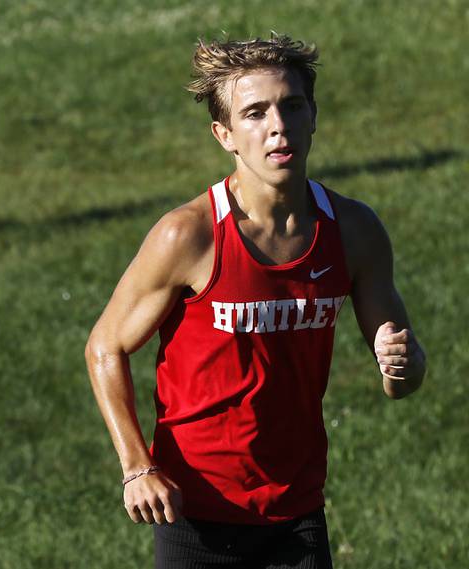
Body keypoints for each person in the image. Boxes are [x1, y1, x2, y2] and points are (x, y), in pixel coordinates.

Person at [84, 34, 426, 569]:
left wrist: (401, 366)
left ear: (313, 115)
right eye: (255, 112)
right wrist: (136, 466)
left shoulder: (354, 231)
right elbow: (105, 347)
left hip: (297, 511)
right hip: (196, 515)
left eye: (292, 106)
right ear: (225, 135)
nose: (278, 125)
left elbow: (402, 379)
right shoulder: (189, 236)